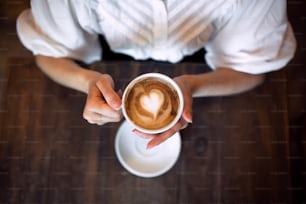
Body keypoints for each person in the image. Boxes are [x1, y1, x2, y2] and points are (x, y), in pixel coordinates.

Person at [17, 0, 296, 149]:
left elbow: (251, 70)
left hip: (202, 59)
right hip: (107, 54)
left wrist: (194, 84)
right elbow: (48, 53)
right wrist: (88, 80)